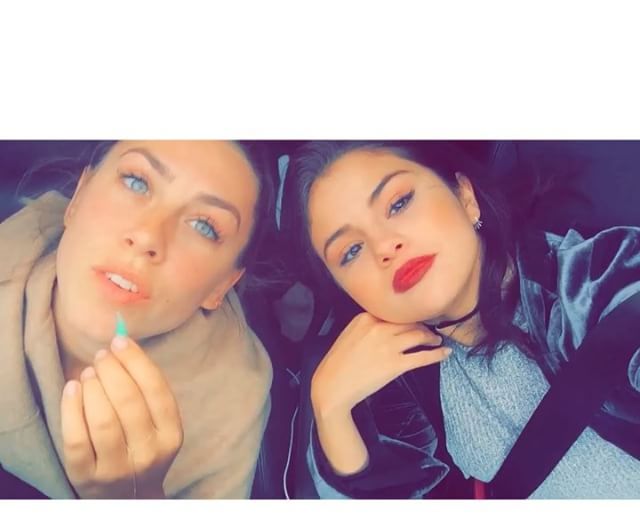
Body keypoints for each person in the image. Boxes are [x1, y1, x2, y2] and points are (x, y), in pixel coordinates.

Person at [284, 140, 640, 499]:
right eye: (351, 251)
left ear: (465, 197)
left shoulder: (591, 282)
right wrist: (330, 412)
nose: (384, 246)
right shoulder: (404, 375)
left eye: (399, 203)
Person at [0, 140, 274, 499]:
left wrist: (135, 498)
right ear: (78, 198)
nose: (147, 236)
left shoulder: (235, 404)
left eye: (204, 226)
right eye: (136, 182)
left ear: (221, 286)